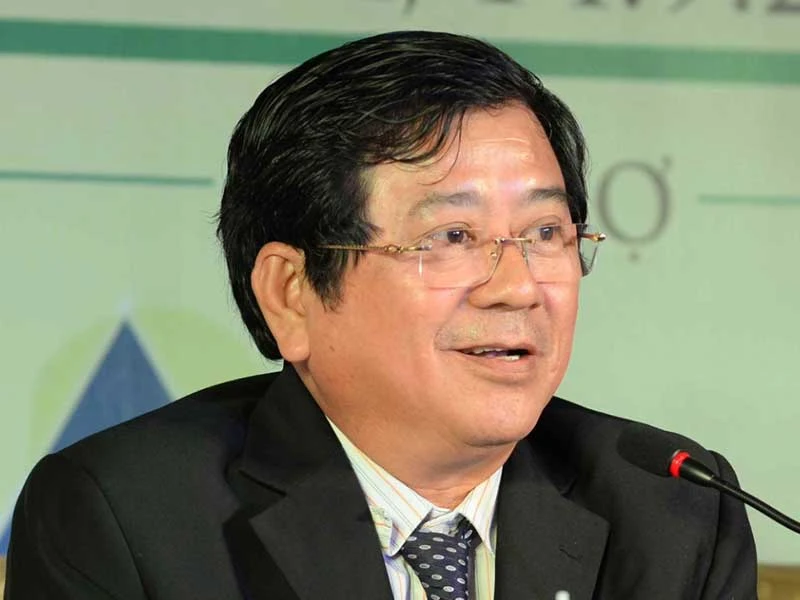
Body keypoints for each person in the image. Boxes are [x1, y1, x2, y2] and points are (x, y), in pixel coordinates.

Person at [5, 30, 756, 599]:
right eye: (452, 237)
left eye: (544, 233)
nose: (519, 287)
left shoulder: (674, 510)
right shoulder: (127, 518)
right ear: (292, 293)